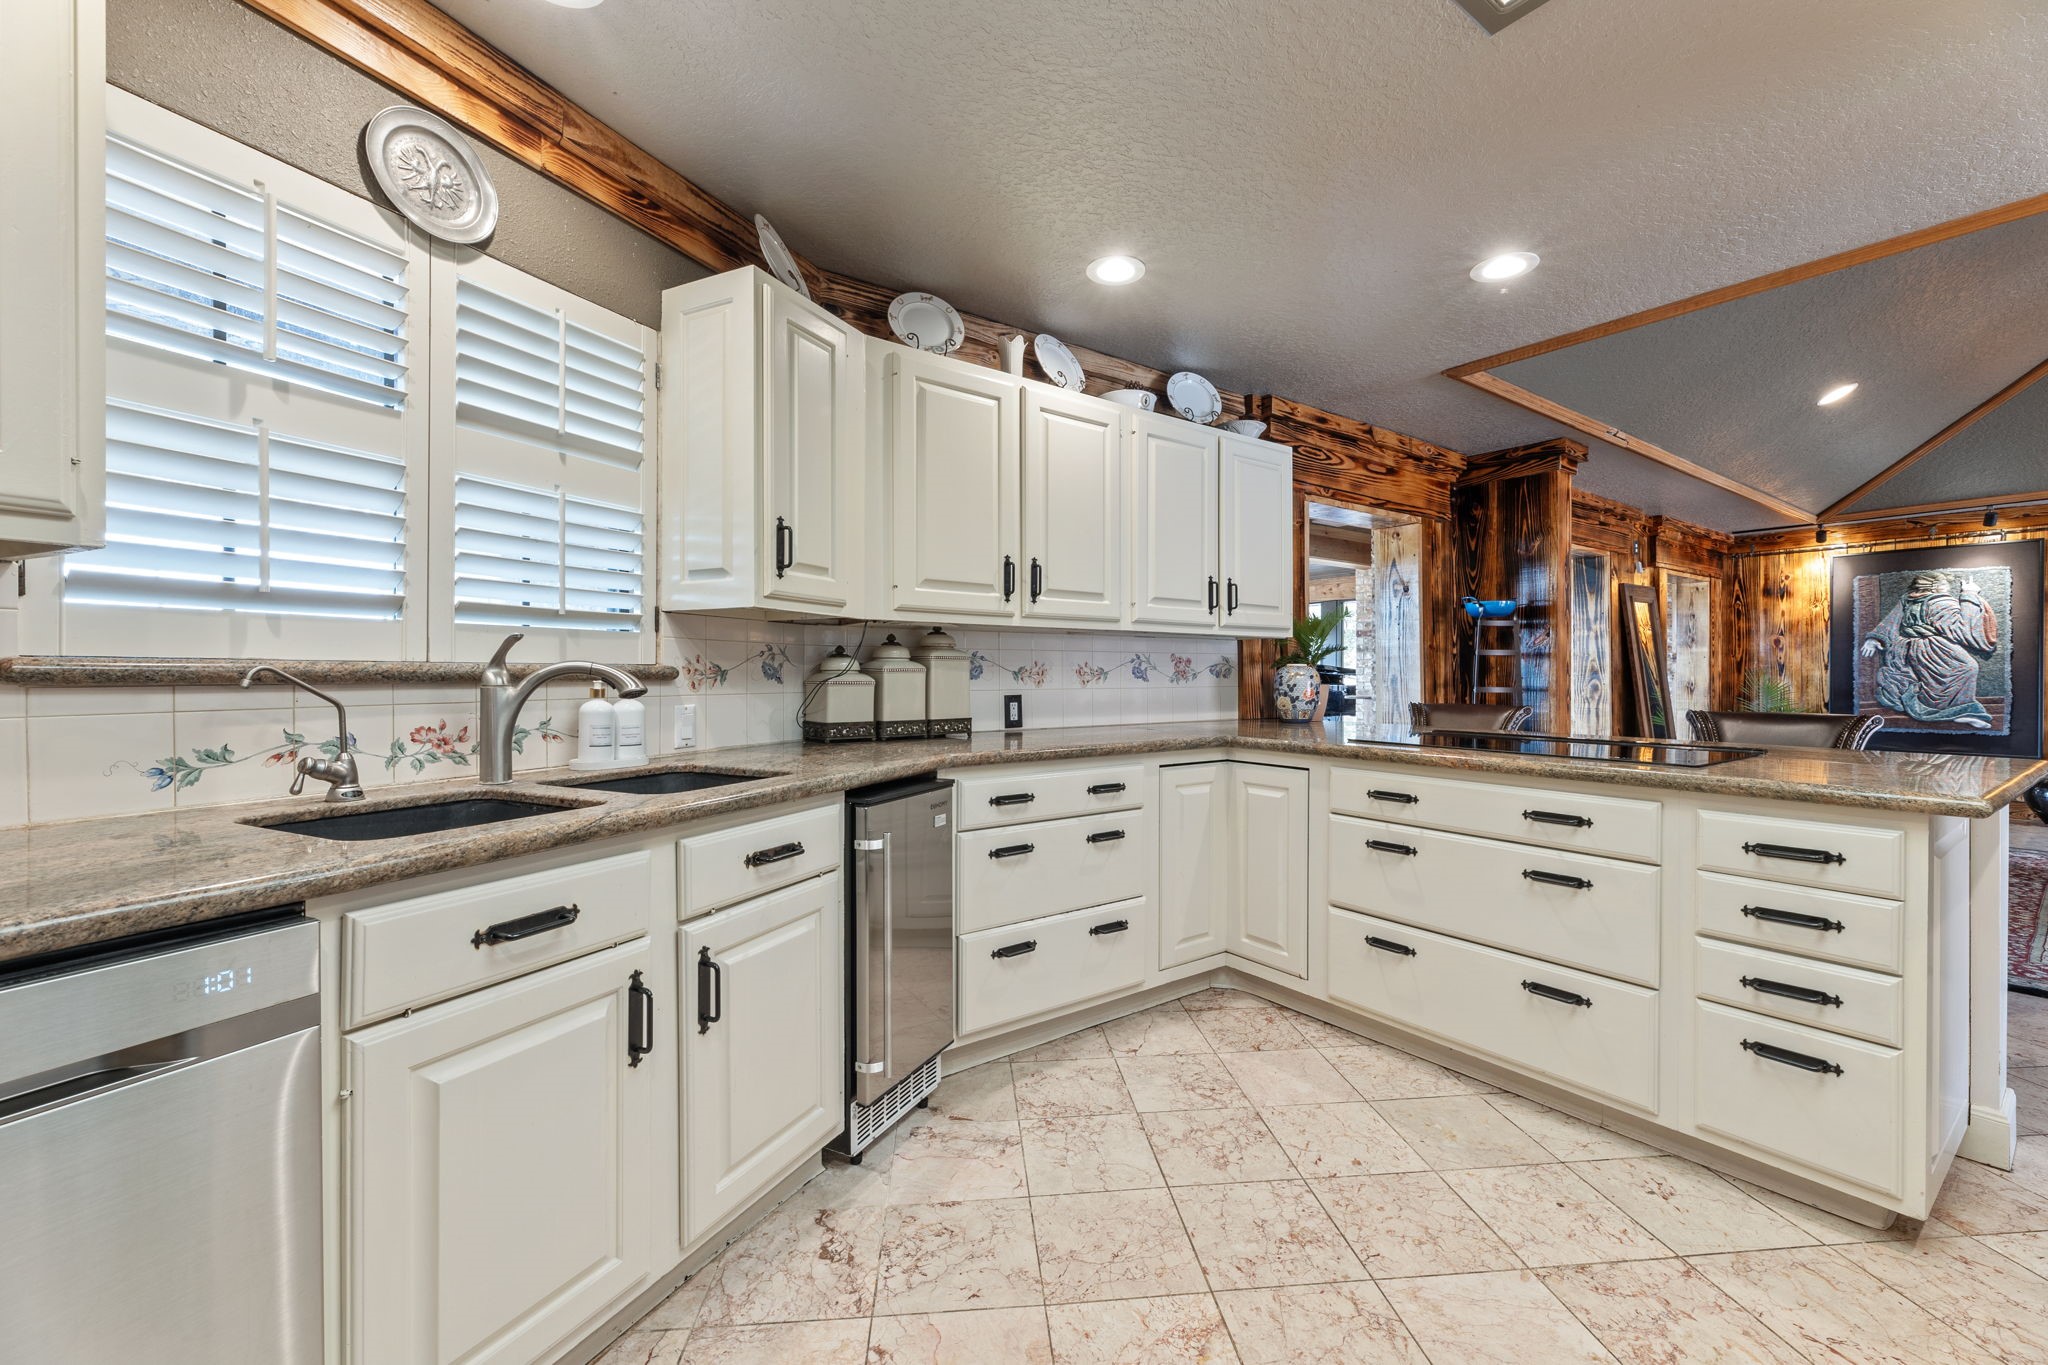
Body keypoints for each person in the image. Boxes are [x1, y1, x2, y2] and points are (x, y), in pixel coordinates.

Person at [1859, 571, 1998, 728]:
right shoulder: (1940, 602)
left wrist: (1875, 638)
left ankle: (1958, 710)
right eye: (1946, 584)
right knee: (1967, 667)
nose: (1948, 587)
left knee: (1950, 673)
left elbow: (1891, 621)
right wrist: (1969, 596)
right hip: (1932, 647)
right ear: (1936, 586)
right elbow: (1961, 630)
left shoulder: (1909, 599)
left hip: (1906, 648)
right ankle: (1954, 710)